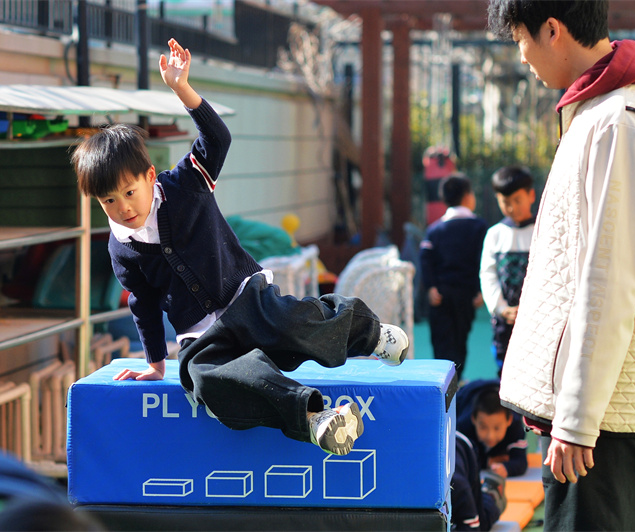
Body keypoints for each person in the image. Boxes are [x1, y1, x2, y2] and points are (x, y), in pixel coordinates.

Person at [70, 39, 410, 457]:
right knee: (206, 380)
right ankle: (314, 418)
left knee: (294, 325)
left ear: (149, 176)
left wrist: (181, 89)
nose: (123, 208)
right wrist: (156, 362)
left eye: (129, 192)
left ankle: (370, 333)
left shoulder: (184, 186)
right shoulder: (121, 250)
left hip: (243, 297)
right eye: (108, 201)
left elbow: (218, 138)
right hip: (200, 335)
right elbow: (143, 301)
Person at [487, 1, 635, 530]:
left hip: (605, 421)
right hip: (602, 412)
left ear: (553, 30)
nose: (523, 57)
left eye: (520, 40)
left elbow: (611, 282)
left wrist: (578, 420)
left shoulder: (618, 122)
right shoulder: (600, 111)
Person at [419, 173, 488, 381]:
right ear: (468, 196)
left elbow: (425, 259)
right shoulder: (480, 228)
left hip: (440, 294)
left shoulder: (435, 230)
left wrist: (431, 288)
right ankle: (458, 378)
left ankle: (443, 381)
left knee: (442, 338)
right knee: (461, 336)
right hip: (466, 294)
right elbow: (483, 261)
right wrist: (480, 289)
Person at [479, 166, 536, 376]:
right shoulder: (494, 235)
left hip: (537, 321)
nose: (511, 208)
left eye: (517, 200)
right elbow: (488, 274)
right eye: (505, 202)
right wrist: (501, 308)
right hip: (505, 321)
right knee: (506, 373)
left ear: (531, 195)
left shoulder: (542, 231)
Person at [456, 379, 528, 479]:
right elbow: (460, 461)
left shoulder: (515, 425)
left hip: (503, 389)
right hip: (466, 394)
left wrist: (506, 468)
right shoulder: (463, 426)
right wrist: (488, 461)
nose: (490, 436)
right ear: (474, 420)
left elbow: (521, 461)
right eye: (483, 427)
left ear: (509, 421)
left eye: (497, 428)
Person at [452, 431, 506, 531]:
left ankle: (492, 495)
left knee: (482, 521)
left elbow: (472, 528)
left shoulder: (457, 485)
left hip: (463, 448)